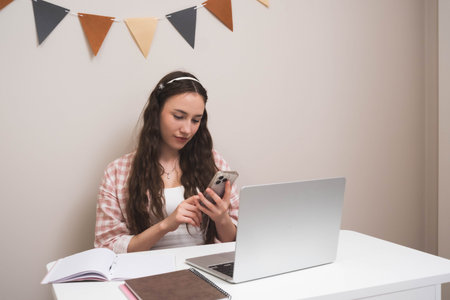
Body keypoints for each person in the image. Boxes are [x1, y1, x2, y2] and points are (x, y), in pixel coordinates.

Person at [94, 71, 239, 253]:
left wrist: (221, 218)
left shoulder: (214, 162)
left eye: (196, 120)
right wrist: (166, 225)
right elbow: (107, 245)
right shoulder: (118, 172)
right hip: (146, 274)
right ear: (157, 112)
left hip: (203, 270)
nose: (187, 129)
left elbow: (235, 242)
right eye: (178, 116)